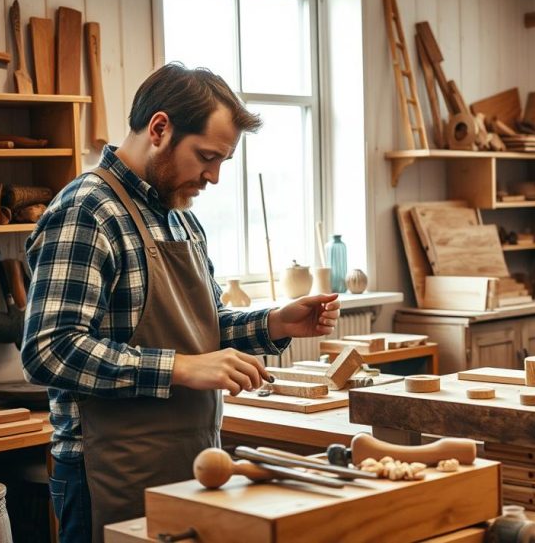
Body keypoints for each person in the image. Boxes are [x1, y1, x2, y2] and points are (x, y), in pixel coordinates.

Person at [21, 63, 340, 543]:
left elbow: (200, 332)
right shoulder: (86, 211)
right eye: (206, 157)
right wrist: (180, 369)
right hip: (108, 470)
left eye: (221, 163)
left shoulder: (179, 217)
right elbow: (48, 350)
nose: (212, 177)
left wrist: (274, 323)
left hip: (190, 460)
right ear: (160, 128)